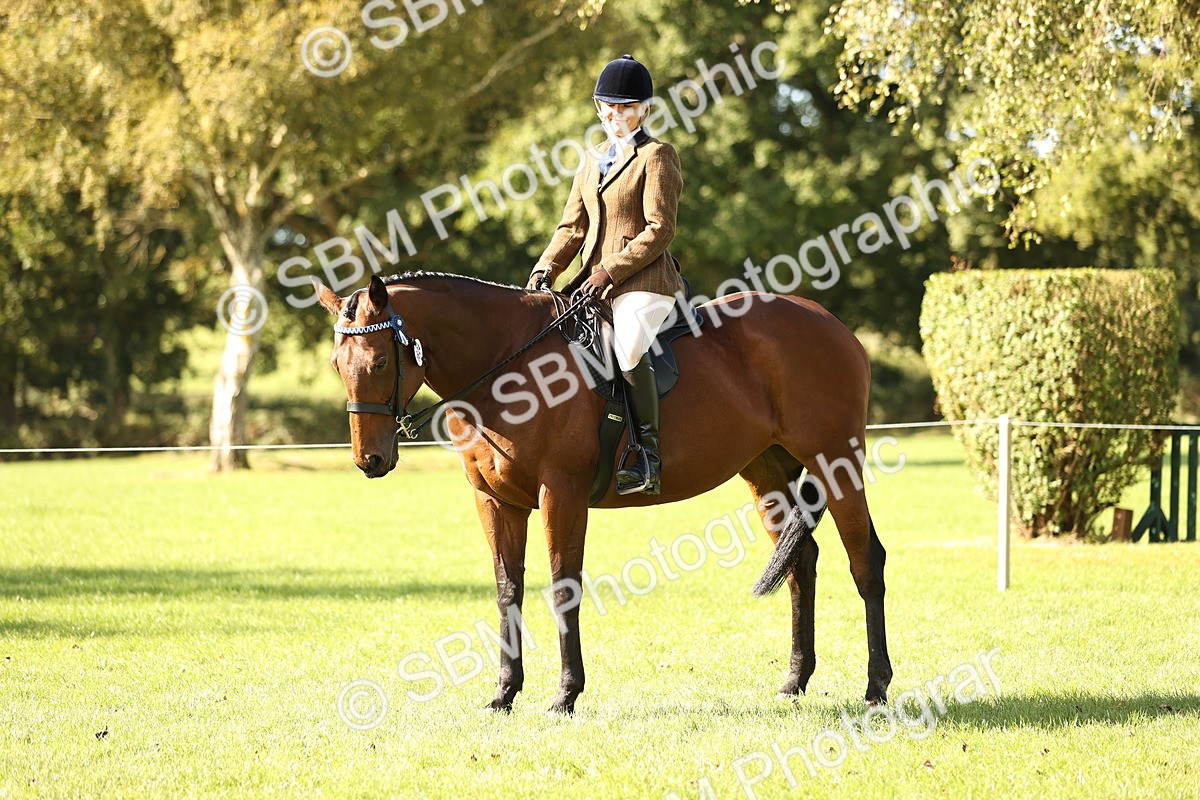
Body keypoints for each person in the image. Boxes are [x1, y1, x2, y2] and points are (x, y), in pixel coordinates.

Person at [526, 54, 685, 496]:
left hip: (643, 283)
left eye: (627, 107)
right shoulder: (591, 160)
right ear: (599, 108)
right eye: (610, 107)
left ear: (645, 109)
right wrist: (545, 271)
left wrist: (609, 270)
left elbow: (660, 229)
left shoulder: (656, 156)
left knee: (628, 346)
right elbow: (572, 228)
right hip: (591, 287)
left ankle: (647, 454)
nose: (617, 115)